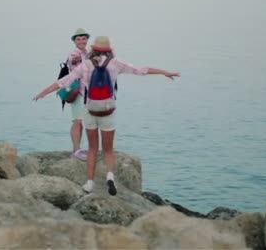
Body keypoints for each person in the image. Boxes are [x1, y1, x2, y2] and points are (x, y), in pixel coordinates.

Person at [33, 36, 180, 195]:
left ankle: (89, 183)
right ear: (109, 49)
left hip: (90, 110)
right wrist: (165, 72)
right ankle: (110, 177)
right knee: (108, 150)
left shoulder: (86, 65)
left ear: (93, 49)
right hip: (108, 111)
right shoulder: (116, 64)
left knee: (92, 148)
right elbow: (141, 70)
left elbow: (63, 82)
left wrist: (42, 93)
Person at [66, 28, 90, 161]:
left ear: (86, 40)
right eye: (78, 39)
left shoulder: (87, 53)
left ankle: (77, 149)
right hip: (77, 92)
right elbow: (72, 61)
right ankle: (76, 150)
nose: (81, 41)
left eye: (83, 38)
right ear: (74, 41)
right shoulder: (74, 53)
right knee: (77, 121)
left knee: (82, 121)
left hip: (87, 92)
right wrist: (78, 59)